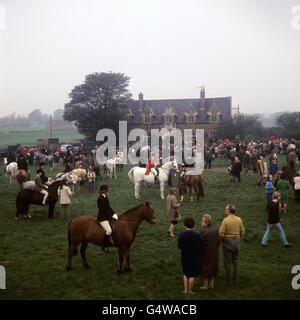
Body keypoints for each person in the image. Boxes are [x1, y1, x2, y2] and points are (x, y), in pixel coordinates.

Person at [219, 204, 245, 285]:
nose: (225, 210)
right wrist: (237, 237)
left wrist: (224, 240)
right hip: (237, 242)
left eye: (226, 209)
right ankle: (236, 280)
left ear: (228, 211)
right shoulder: (239, 219)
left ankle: (228, 281)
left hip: (228, 242)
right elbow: (243, 232)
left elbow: (221, 233)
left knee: (228, 262)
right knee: (236, 262)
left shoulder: (225, 220)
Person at [178, 217, 204, 294]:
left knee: (185, 273)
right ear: (193, 225)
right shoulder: (197, 235)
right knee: (192, 274)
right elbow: (201, 245)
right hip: (194, 256)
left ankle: (185, 290)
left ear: (185, 225)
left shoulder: (181, 234)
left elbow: (180, 246)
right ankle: (190, 290)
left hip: (185, 255)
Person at [199, 214, 220, 290]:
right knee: (213, 267)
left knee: (206, 268)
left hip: (206, 253)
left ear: (204, 222)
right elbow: (219, 242)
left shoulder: (203, 231)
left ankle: (205, 285)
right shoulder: (215, 230)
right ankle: (212, 285)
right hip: (214, 252)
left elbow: (200, 243)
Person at [97, 185, 119, 253]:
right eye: (107, 189)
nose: (108, 190)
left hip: (107, 216)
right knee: (109, 231)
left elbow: (109, 207)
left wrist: (114, 213)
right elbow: (104, 210)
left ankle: (112, 241)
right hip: (102, 218)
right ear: (103, 190)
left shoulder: (105, 197)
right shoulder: (100, 199)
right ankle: (103, 246)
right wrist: (111, 216)